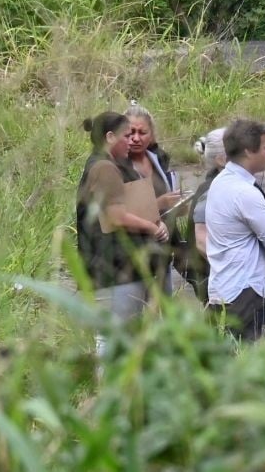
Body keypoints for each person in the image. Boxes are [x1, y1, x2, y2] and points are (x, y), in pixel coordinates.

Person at [74, 111, 170, 356]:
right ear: (109, 137)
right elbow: (115, 217)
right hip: (112, 269)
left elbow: (128, 207)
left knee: (124, 338)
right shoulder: (105, 168)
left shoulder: (106, 165)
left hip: (115, 268)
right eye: (126, 136)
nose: (131, 142)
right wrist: (152, 227)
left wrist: (156, 210)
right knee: (114, 339)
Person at [204, 118, 265, 341]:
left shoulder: (220, 183)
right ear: (249, 151)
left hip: (224, 286)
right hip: (246, 289)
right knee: (244, 355)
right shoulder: (245, 192)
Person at [124, 101, 180, 293]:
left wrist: (177, 205)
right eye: (131, 132)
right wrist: (160, 203)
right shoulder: (118, 165)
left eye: (142, 132)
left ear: (152, 134)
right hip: (133, 256)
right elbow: (119, 212)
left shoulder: (159, 158)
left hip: (163, 251)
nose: (136, 138)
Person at [180, 127, 226, 302]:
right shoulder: (213, 190)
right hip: (215, 279)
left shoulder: (215, 185)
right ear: (221, 159)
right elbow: (201, 242)